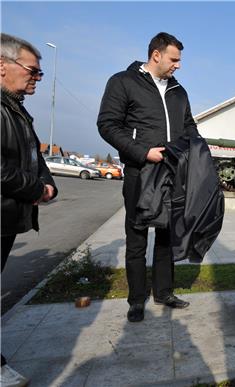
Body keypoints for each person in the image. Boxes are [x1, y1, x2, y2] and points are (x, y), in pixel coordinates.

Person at [97, 32, 197, 322]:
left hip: (172, 173)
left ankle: (164, 292)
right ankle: (136, 300)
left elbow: (189, 127)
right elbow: (107, 124)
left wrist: (197, 154)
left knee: (167, 235)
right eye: (174, 59)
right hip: (141, 172)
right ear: (156, 55)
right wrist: (143, 152)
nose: (178, 66)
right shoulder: (123, 82)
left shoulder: (178, 90)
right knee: (137, 237)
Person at [1, 32, 57, 387]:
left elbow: (33, 156)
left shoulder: (15, 109)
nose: (36, 78)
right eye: (32, 71)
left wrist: (48, 183)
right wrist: (36, 188)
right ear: (2, 66)